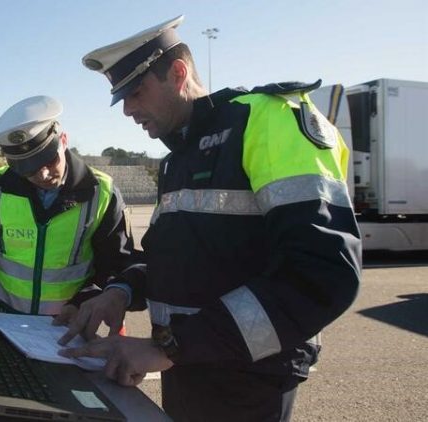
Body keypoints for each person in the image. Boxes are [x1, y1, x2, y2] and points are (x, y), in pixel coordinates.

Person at [58, 15, 362, 421]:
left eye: (136, 91)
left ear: (178, 73)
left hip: (248, 376)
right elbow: (173, 260)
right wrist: (120, 293)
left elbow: (323, 273)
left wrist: (167, 347)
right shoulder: (177, 158)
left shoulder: (266, 120)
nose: (128, 109)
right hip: (187, 365)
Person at [0, 95, 135, 326]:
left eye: (48, 160)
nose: (42, 175)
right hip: (1, 317)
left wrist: (85, 301)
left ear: (63, 139)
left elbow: (115, 265)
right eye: (28, 169)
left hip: (65, 326)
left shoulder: (102, 193)